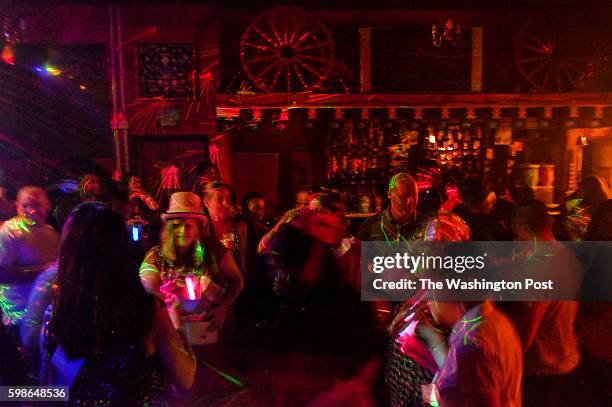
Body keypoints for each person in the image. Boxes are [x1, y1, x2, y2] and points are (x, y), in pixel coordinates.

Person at [41, 202, 196, 404]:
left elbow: (49, 387)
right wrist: (178, 326)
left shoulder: (56, 310)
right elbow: (185, 379)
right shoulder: (145, 310)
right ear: (121, 249)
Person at [140, 192, 244, 336]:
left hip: (210, 329)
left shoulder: (213, 250)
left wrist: (223, 307)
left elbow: (237, 280)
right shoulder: (156, 255)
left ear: (197, 228)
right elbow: (148, 288)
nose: (183, 231)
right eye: (177, 226)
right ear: (169, 229)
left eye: (188, 226)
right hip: (173, 334)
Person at [418, 299, 523, 407]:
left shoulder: (470, 344)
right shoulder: (495, 320)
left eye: (431, 290)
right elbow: (464, 379)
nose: (427, 302)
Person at [0, 186, 59, 326]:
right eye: (25, 205)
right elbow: (2, 274)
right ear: (18, 206)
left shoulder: (52, 234)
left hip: (43, 314)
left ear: (47, 206)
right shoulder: (9, 231)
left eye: (37, 204)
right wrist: (41, 272)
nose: (31, 210)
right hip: (17, 313)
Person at [358, 173, 429, 242]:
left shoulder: (428, 226)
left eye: (414, 196)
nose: (410, 201)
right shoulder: (370, 226)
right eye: (404, 196)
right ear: (389, 194)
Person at [202, 181, 247, 274]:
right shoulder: (201, 227)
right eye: (219, 199)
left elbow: (242, 261)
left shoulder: (238, 225)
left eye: (229, 199)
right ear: (207, 203)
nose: (226, 204)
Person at [452, 176, 514, 241]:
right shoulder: (460, 218)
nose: (492, 207)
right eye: (492, 205)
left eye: (494, 204)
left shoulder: (503, 211)